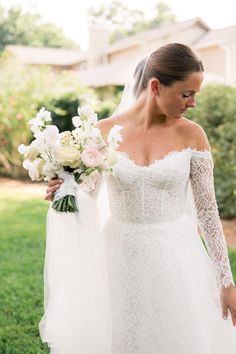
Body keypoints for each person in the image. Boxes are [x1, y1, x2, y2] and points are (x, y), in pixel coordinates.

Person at [40, 43, 236, 353]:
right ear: (156, 86)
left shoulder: (193, 135)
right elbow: (86, 198)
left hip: (176, 256)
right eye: (186, 94)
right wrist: (65, 190)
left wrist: (226, 282)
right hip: (118, 256)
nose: (193, 103)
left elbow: (208, 212)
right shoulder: (101, 134)